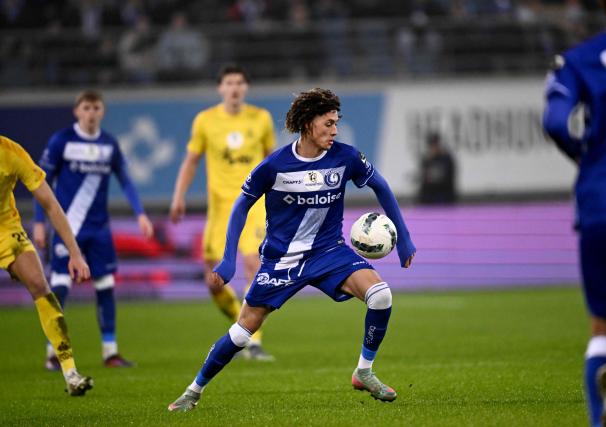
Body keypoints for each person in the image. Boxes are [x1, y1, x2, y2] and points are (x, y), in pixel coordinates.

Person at [167, 88, 416, 411]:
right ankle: (193, 391)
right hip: (281, 260)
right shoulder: (275, 166)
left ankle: (364, 371)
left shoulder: (347, 157)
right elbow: (241, 207)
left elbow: (380, 185)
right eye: (328, 123)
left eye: (336, 123)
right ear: (308, 123)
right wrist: (229, 258)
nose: (334, 130)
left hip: (329, 252)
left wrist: (405, 238)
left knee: (381, 295)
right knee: (243, 333)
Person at [543, 1, 606, 425]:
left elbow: (556, 122)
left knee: (601, 329)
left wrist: (588, 159)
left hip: (601, 199)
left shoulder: (579, 57)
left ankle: (603, 419)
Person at [33, 89, 154, 370]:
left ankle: (110, 352)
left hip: (99, 229)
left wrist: (141, 214)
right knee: (60, 286)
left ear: (102, 112)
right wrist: (39, 222)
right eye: (86, 108)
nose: (90, 113)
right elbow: (41, 182)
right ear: (77, 111)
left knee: (106, 286)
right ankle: (53, 351)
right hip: (68, 228)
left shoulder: (109, 144)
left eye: (95, 108)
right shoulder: (61, 141)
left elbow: (125, 180)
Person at [170, 64, 275, 360]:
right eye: (229, 82)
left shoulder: (261, 119)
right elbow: (191, 161)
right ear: (220, 88)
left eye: (240, 82)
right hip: (221, 211)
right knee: (213, 281)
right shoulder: (205, 121)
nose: (235, 88)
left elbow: (272, 161)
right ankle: (241, 325)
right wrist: (179, 196)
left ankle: (253, 340)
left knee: (254, 263)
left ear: (246, 88)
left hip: (254, 205)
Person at [0, 135, 93, 396]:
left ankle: (70, 373)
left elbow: (50, 204)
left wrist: (75, 253)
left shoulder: (11, 152)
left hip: (5, 229)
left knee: (41, 286)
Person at [417, 132, 457, 205]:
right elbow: (424, 179)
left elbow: (449, 179)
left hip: (444, 194)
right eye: (432, 145)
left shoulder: (446, 159)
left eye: (435, 145)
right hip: (430, 196)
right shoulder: (427, 159)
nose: (434, 148)